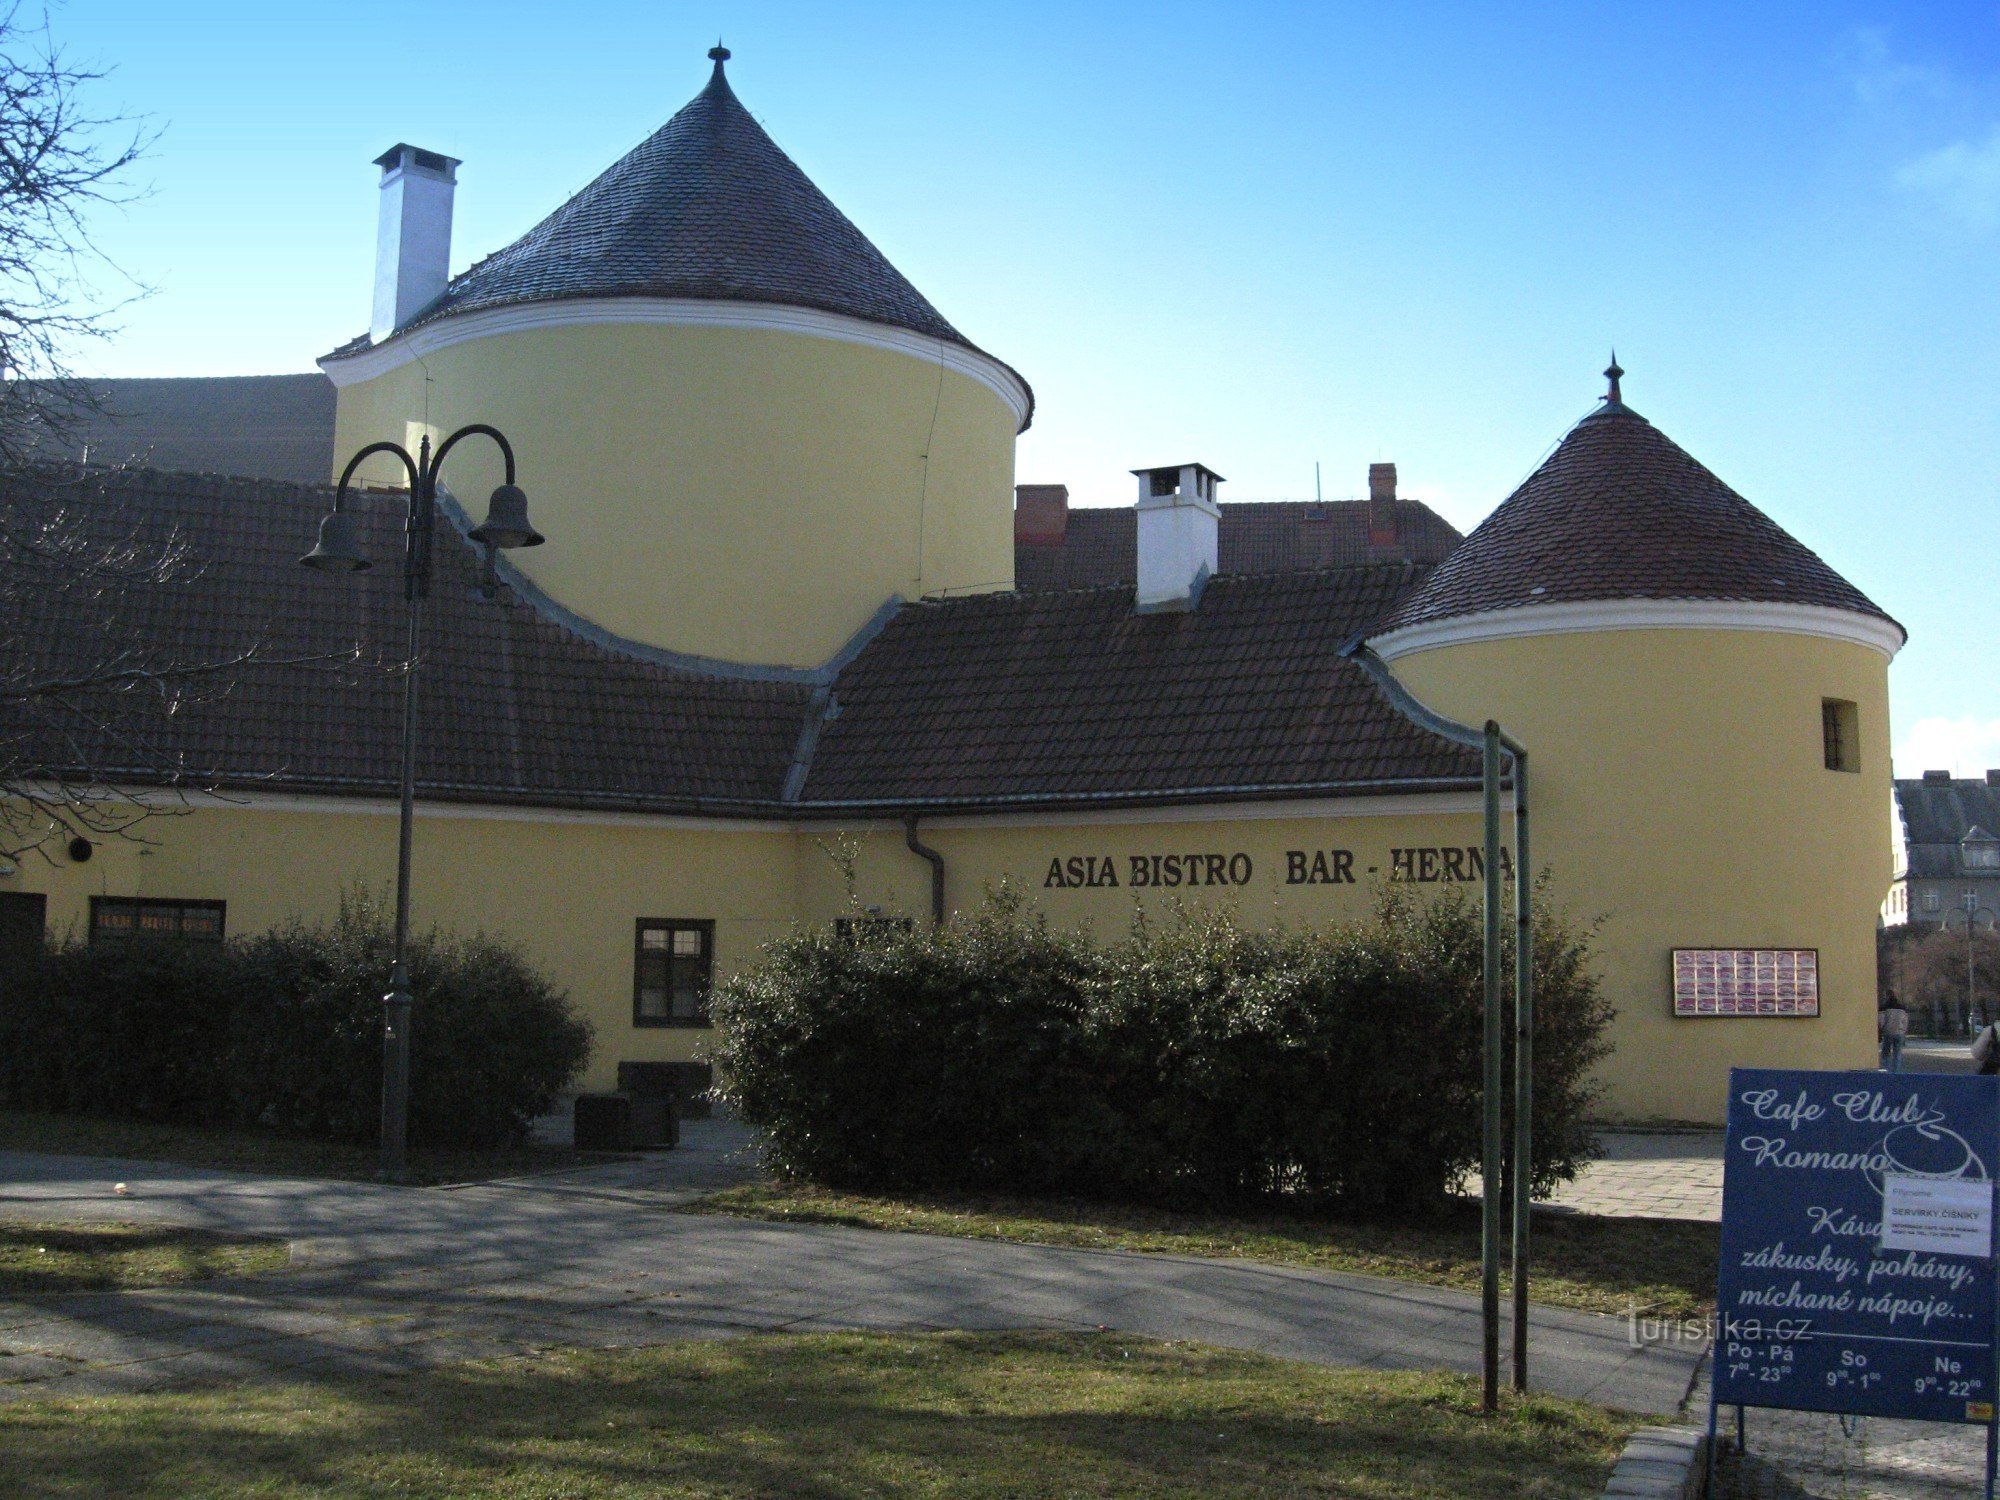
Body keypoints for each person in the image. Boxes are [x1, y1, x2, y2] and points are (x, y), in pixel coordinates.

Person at [1879, 992, 1910, 1072]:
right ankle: (1896, 1072)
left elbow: (1881, 1022)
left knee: (1886, 1053)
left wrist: (1881, 1031)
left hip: (1888, 1033)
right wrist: (1903, 1032)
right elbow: (1905, 1022)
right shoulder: (1902, 1009)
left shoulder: (1884, 1008)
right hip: (1899, 1033)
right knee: (1897, 1054)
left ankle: (1886, 1070)